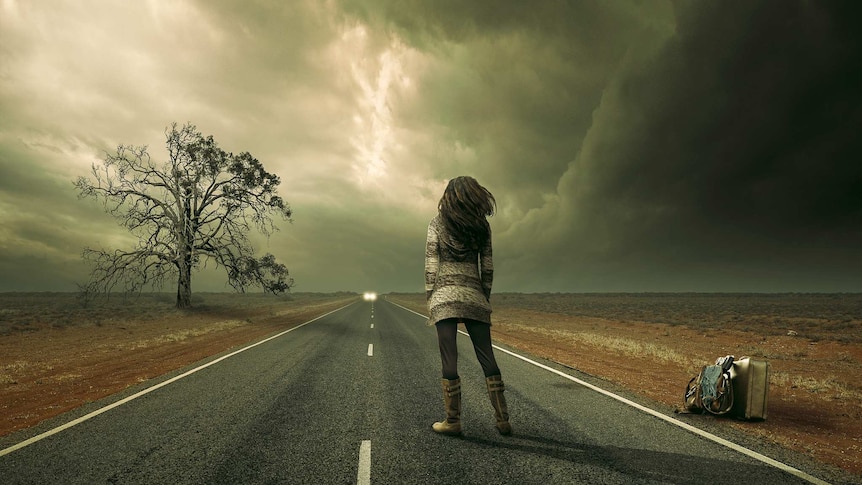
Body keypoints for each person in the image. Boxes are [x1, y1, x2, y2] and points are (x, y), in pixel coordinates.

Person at [425, 176, 511, 436]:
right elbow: (487, 266)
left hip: (444, 297)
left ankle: (453, 421)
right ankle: (503, 419)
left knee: (449, 359)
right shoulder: (482, 227)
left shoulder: (436, 223)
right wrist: (483, 296)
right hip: (474, 295)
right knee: (487, 357)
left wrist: (431, 297)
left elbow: (431, 264)